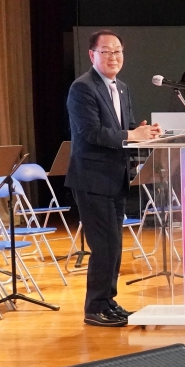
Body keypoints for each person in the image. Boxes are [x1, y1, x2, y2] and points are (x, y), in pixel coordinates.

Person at [65, 30, 161, 327]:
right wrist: (131, 135)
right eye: (106, 52)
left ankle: (108, 300)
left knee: (114, 246)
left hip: (116, 177)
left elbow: (126, 128)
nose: (113, 57)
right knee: (103, 246)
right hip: (92, 179)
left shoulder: (122, 88)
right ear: (92, 55)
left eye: (118, 51)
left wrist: (143, 132)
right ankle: (94, 307)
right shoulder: (82, 88)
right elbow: (90, 133)